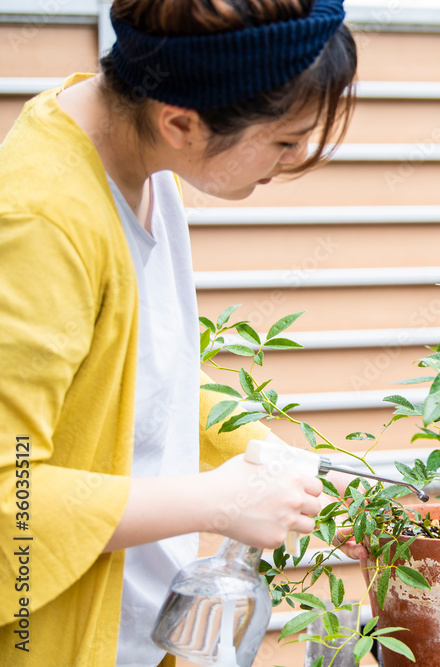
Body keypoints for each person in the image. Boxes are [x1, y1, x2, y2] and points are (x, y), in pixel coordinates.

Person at [0, 1, 360, 664]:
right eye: (285, 140)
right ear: (180, 121)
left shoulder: (140, 163)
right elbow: (10, 499)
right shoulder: (41, 221)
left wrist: (268, 457)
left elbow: (136, 383)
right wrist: (215, 501)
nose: (298, 158)